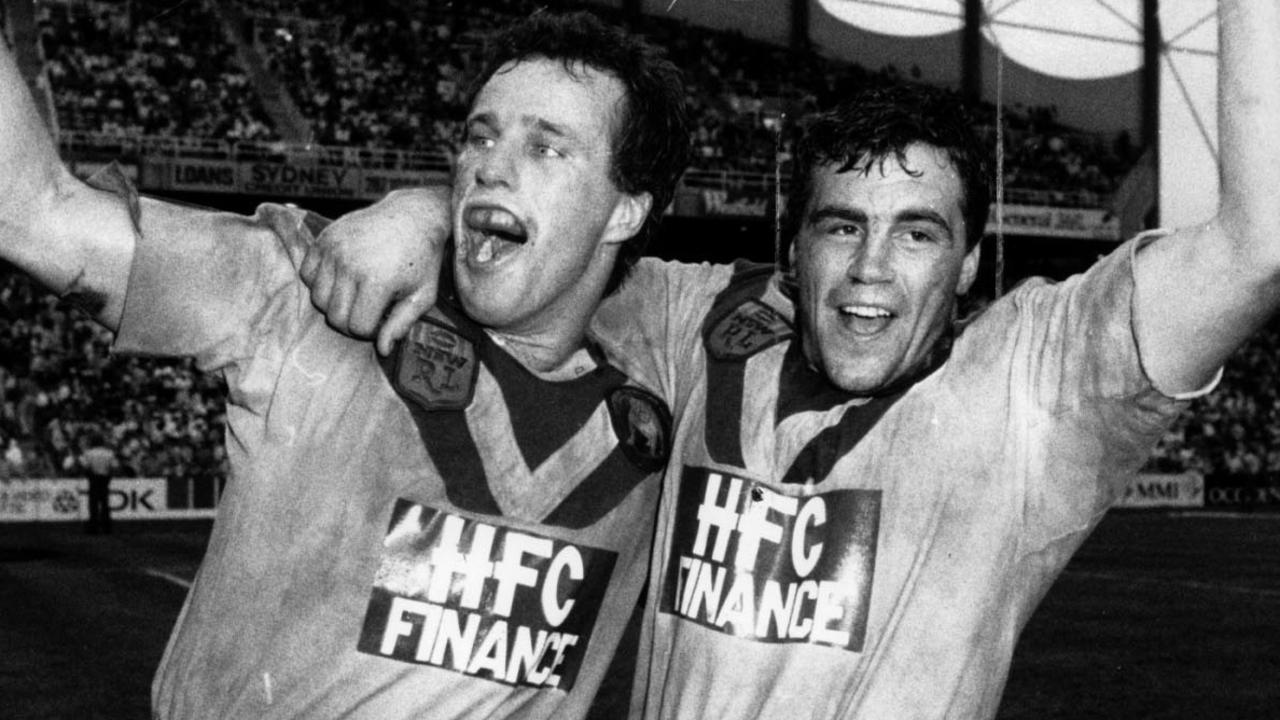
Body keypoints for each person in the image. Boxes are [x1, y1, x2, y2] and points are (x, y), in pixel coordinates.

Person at [305, 3, 1280, 717]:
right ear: (793, 243)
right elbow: (547, 244)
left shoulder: (1033, 388)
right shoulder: (700, 320)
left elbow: (1256, 245)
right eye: (839, 227)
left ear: (971, 259)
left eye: (915, 235)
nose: (866, 270)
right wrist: (419, 213)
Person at [0, 11, 689, 719]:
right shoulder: (309, 293)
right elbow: (29, 212)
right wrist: (426, 208)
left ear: (626, 213)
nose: (488, 164)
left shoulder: (673, 372)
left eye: (547, 149)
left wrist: (421, 211)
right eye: (479, 136)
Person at [80, 431, 118, 534]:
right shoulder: (109, 453)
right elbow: (114, 467)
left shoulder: (88, 453)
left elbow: (86, 467)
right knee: (105, 504)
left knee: (93, 504)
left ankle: (93, 528)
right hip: (105, 479)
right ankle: (107, 528)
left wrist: (89, 476)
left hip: (94, 478)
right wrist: (109, 476)